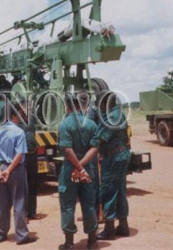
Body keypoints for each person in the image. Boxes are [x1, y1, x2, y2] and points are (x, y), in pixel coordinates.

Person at [0, 102, 37, 245]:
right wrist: (9, 170)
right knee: (19, 202)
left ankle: (0, 233)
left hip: (2, 167)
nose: (22, 116)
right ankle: (22, 235)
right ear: (15, 115)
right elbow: (20, 154)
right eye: (20, 114)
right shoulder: (19, 132)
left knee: (3, 203)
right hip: (15, 170)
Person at [57, 94, 99, 250]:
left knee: (68, 205)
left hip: (70, 169)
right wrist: (83, 168)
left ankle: (69, 243)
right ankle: (92, 241)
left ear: (67, 107)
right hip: (88, 168)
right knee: (89, 204)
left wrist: (77, 169)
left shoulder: (64, 125)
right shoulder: (92, 125)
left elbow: (67, 150)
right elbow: (94, 148)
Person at [95, 90, 131, 240]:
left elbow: (101, 138)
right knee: (120, 190)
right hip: (122, 155)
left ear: (105, 103)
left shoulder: (111, 117)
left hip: (113, 157)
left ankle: (109, 229)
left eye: (100, 105)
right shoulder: (119, 113)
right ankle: (123, 225)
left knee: (108, 190)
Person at [17, 98, 40, 220]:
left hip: (33, 153)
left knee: (33, 183)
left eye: (29, 106)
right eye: (26, 106)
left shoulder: (32, 119)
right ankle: (23, 214)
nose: (28, 108)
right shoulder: (16, 121)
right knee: (22, 185)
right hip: (22, 155)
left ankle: (32, 212)